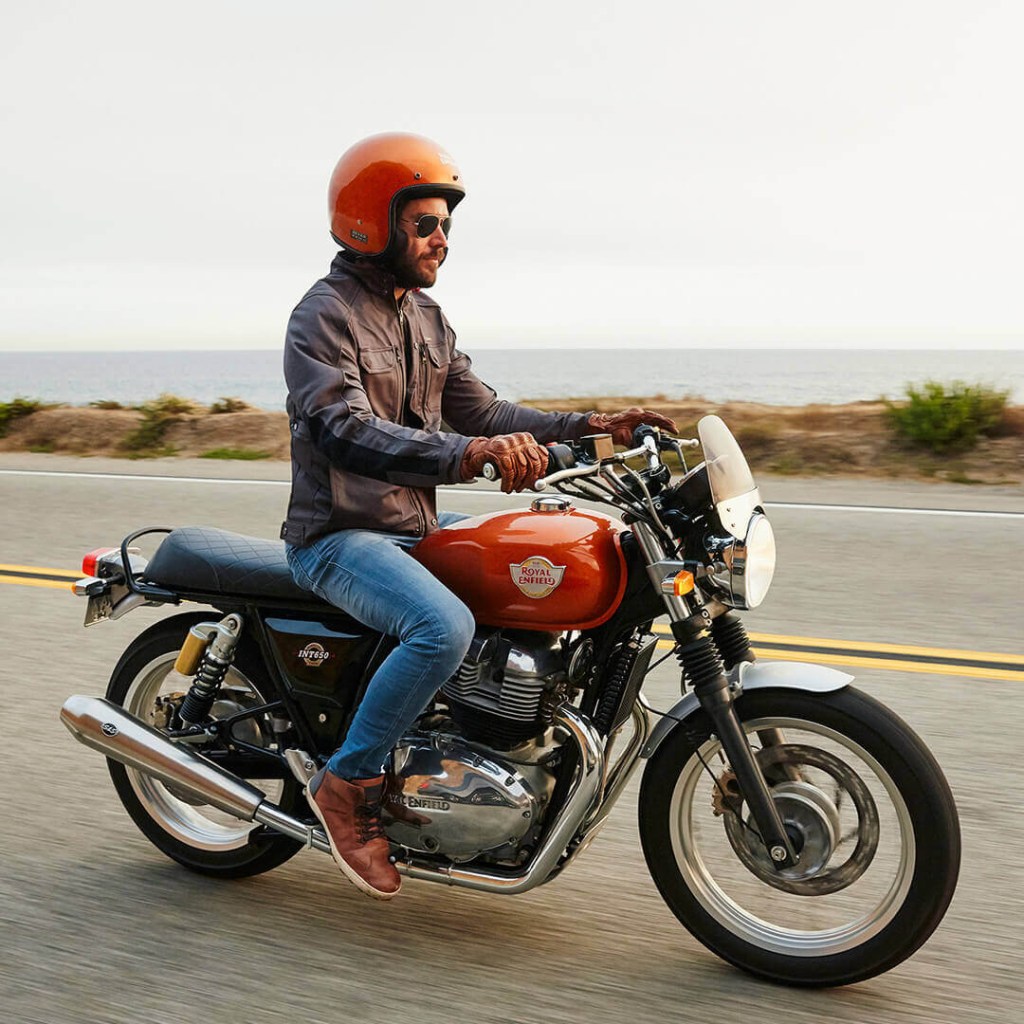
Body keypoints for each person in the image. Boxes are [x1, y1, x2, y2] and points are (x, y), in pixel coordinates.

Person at [281, 132, 676, 900]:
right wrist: (470, 456)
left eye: (447, 227)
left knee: (530, 565)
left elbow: (486, 409)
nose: (440, 241)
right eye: (425, 224)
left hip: (413, 525)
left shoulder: (425, 317)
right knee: (443, 627)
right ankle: (347, 784)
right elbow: (344, 430)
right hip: (338, 534)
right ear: (372, 222)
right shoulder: (322, 317)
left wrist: (596, 426)